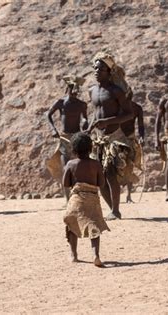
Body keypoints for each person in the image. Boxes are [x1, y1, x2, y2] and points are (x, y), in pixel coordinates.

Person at [88, 52, 134, 220]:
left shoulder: (116, 91)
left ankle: (116, 210)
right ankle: (112, 209)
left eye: (100, 69)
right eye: (95, 68)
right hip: (98, 139)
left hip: (114, 137)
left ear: (109, 71)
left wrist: (108, 121)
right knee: (99, 177)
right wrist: (89, 128)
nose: (96, 71)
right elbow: (95, 113)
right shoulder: (92, 90)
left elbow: (129, 114)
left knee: (110, 174)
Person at [63, 132, 109, 267]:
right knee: (94, 226)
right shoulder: (96, 164)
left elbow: (65, 183)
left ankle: (73, 255)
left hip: (76, 199)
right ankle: (96, 255)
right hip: (93, 199)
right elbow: (102, 183)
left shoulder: (71, 164)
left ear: (73, 148)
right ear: (91, 148)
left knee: (71, 223)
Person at [46, 76, 88, 200]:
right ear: (68, 89)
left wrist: (85, 122)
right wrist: (53, 129)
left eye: (77, 92)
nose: (75, 94)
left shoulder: (81, 104)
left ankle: (77, 196)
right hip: (64, 138)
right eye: (72, 91)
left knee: (79, 167)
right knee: (66, 167)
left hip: (77, 138)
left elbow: (85, 118)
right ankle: (67, 199)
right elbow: (48, 115)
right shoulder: (61, 103)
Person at [120, 90, 145, 203]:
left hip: (130, 139)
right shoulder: (117, 107)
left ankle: (129, 195)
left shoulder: (137, 108)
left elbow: (140, 125)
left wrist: (141, 137)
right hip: (117, 139)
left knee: (129, 166)